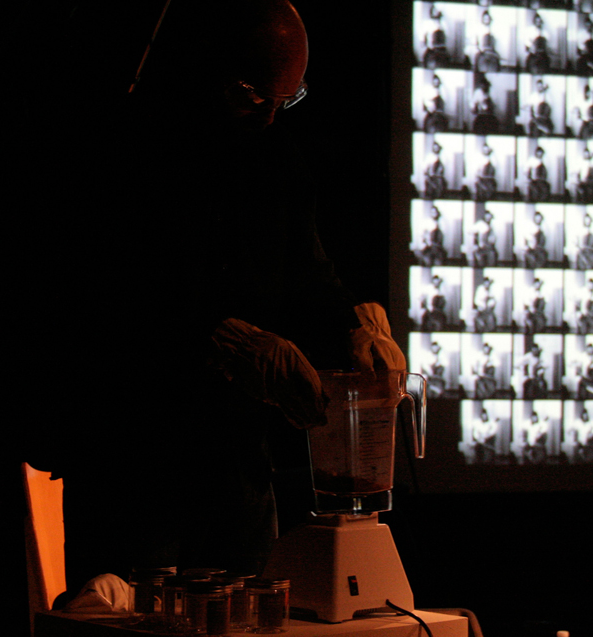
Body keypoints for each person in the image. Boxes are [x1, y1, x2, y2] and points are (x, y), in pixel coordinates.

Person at [33, 0, 407, 596]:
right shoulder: (123, 149)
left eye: (285, 100)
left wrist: (353, 323)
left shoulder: (278, 158)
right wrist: (220, 337)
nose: (267, 116)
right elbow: (99, 301)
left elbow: (309, 274)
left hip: (235, 469)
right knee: (128, 633)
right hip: (134, 458)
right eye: (251, 96)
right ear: (205, 68)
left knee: (246, 633)